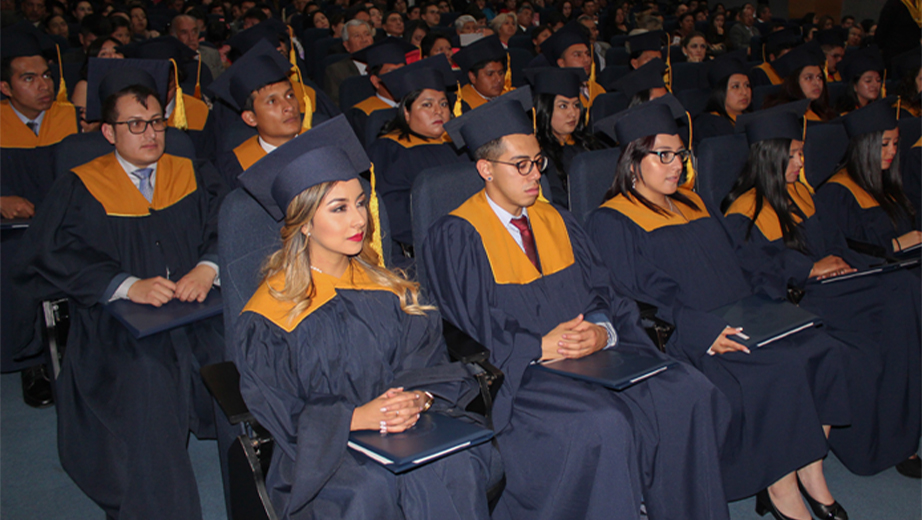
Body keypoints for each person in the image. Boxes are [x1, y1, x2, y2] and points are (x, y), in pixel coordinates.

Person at [421, 96, 731, 520]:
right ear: (486, 169)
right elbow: (470, 326)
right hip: (527, 375)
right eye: (521, 165)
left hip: (597, 357)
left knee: (686, 390)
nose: (535, 176)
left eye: (539, 162)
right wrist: (539, 345)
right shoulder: (457, 235)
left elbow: (609, 293)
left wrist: (604, 330)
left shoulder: (558, 220)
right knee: (602, 422)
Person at [588, 96, 852, 520]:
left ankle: (810, 468)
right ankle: (780, 485)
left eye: (681, 155)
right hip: (690, 335)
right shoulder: (613, 220)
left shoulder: (694, 201)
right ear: (633, 160)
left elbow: (744, 258)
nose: (677, 165)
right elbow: (636, 298)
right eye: (664, 155)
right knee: (777, 372)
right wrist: (702, 332)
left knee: (822, 349)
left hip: (745, 316)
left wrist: (787, 283)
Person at [234, 115, 499, 519]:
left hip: (407, 429)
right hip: (325, 453)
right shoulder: (271, 314)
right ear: (304, 223)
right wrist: (357, 417)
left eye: (360, 203)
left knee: (454, 466)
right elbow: (280, 413)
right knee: (371, 489)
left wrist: (418, 398)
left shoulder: (391, 289)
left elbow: (426, 365)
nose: (359, 220)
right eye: (339, 209)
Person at [12, 66, 228, 520]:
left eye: (156, 122)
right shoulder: (80, 185)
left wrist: (208, 268)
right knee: (147, 375)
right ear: (108, 131)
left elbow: (227, 227)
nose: (149, 134)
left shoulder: (193, 172)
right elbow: (47, 252)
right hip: (118, 324)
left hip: (199, 308)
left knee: (246, 349)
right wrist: (126, 284)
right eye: (135, 124)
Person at [723, 100, 922, 482]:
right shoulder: (743, 210)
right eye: (794, 155)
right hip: (802, 298)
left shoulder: (800, 192)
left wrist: (859, 265)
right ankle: (879, 444)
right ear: (771, 157)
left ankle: (902, 429)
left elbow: (836, 243)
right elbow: (756, 271)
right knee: (895, 304)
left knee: (903, 288)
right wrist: (809, 267)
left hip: (837, 286)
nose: (801, 162)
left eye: (800, 154)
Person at [0, 29, 79, 408]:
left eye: (46, 75)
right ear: (5, 86)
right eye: (28, 78)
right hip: (12, 232)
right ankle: (32, 359)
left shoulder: (70, 120)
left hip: (65, 223)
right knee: (15, 260)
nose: (43, 85)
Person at [367, 55, 466, 264]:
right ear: (406, 112)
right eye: (427, 105)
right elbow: (394, 214)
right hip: (433, 249)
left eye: (443, 104)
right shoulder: (389, 150)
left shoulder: (462, 144)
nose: (438, 111)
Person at [816, 99, 920, 256]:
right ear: (866, 146)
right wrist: (895, 245)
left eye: (895, 143)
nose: (892, 151)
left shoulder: (887, 182)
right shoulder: (838, 193)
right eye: (884, 144)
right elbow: (845, 249)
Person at [209, 40, 309, 188]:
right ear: (250, 118)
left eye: (290, 96)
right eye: (272, 101)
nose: (289, 107)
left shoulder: (325, 146)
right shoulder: (234, 169)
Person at [529, 67, 602, 207]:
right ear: (545, 109)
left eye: (576, 105)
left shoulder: (592, 144)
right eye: (563, 106)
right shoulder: (538, 157)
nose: (572, 113)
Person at [345, 38, 415, 146]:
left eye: (402, 70)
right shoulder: (363, 115)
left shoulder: (417, 106)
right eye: (391, 72)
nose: (399, 76)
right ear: (375, 81)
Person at [763, 41, 837, 121]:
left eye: (819, 77)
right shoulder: (783, 114)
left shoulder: (825, 112)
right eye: (808, 78)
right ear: (794, 82)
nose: (817, 83)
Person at [693, 51, 750, 145]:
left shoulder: (752, 117)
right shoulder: (709, 124)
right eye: (735, 86)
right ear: (720, 91)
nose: (744, 92)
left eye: (747, 85)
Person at [323, 19, 375, 106]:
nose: (364, 40)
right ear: (347, 46)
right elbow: (336, 106)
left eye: (367, 35)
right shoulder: (336, 71)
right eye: (357, 36)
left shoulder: (383, 66)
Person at [452, 35, 509, 111]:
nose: (499, 80)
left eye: (501, 73)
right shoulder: (460, 104)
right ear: (472, 77)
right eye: (490, 74)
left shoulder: (510, 96)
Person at [171, 14, 224, 80]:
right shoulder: (170, 60)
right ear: (174, 36)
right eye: (184, 32)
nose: (191, 38)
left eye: (194, 32)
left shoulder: (212, 54)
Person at [834, 46, 884, 114]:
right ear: (854, 86)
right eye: (868, 81)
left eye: (878, 80)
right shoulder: (846, 115)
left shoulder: (879, 110)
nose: (875, 84)